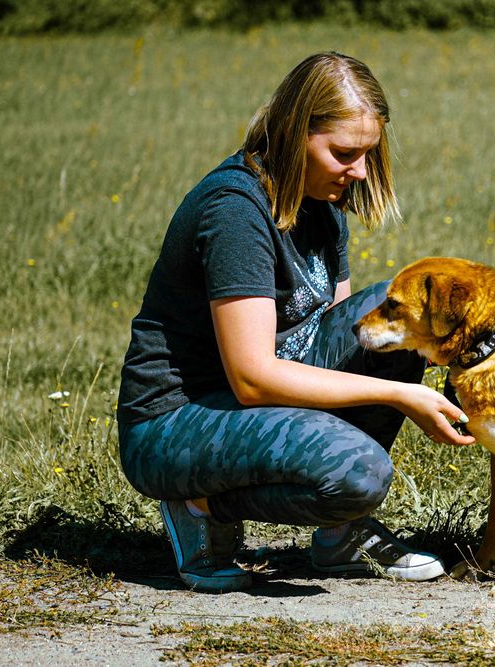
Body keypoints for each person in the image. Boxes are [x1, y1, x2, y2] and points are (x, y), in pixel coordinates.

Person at [116, 52, 475, 593]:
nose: (358, 171)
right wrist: (404, 398)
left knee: (396, 321)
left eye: (367, 155)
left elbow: (342, 327)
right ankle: (198, 504)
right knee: (361, 472)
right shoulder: (236, 210)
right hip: (174, 422)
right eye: (343, 153)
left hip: (252, 405)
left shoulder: (323, 201)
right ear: (293, 133)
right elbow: (253, 377)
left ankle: (337, 534)